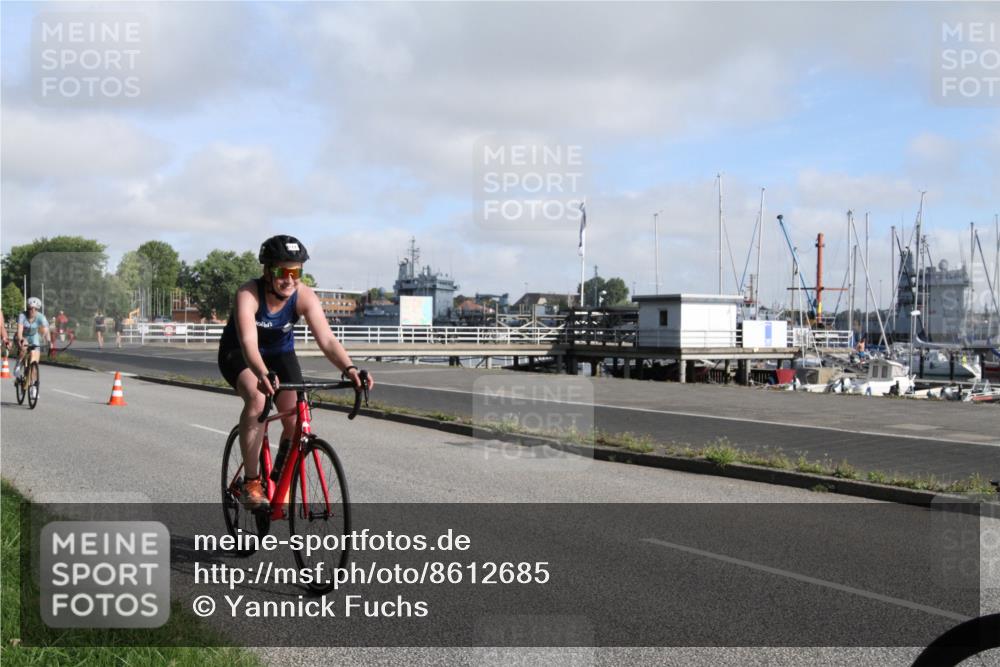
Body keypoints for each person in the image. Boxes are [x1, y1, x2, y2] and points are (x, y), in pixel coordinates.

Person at [217, 235, 374, 511]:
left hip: (280, 355)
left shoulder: (304, 295)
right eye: (281, 271)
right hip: (240, 354)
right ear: (267, 271)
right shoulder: (248, 294)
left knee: (297, 416)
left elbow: (326, 340)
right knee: (258, 398)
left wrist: (349, 369)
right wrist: (262, 373)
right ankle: (252, 483)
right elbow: (249, 344)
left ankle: (279, 481)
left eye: (295, 272)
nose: (289, 279)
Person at [15, 297, 49, 377]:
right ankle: (18, 364)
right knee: (23, 347)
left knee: (35, 361)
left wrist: (46, 340)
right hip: (23, 336)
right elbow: (19, 331)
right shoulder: (22, 316)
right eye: (30, 308)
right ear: (27, 308)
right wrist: (21, 339)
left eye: (35, 309)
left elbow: (46, 330)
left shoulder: (41, 317)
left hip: (34, 337)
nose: (33, 310)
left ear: (38, 310)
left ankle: (33, 383)